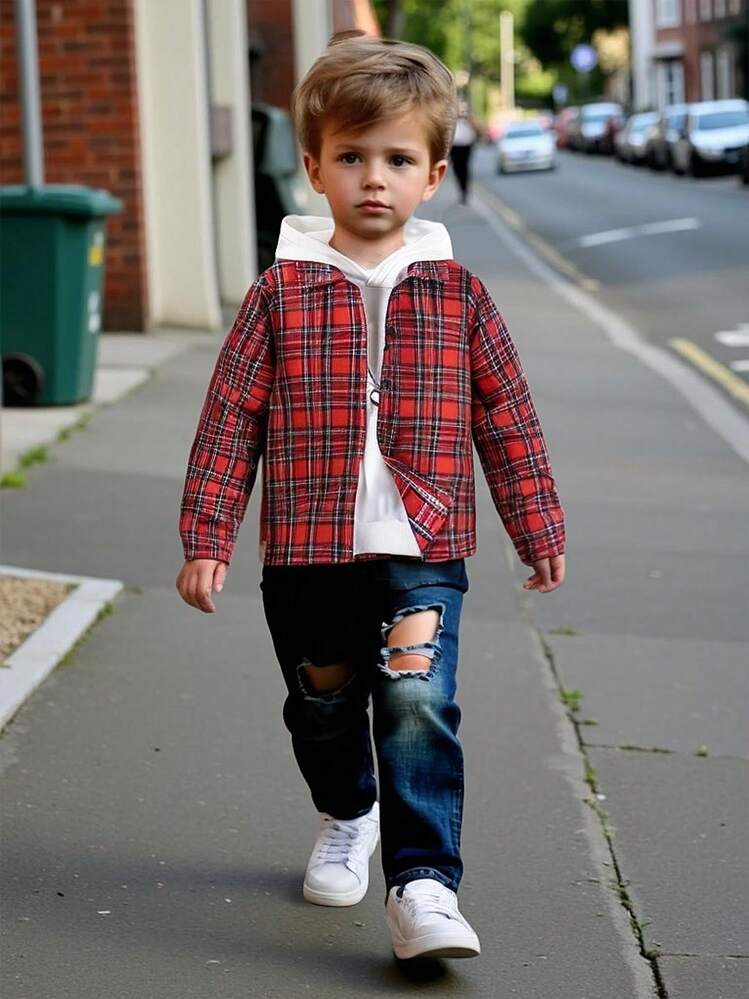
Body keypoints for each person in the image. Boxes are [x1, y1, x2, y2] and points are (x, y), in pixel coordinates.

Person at [176, 32, 565, 962]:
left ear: (432, 174)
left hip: (423, 545)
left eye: (396, 159)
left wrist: (535, 524)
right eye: (351, 157)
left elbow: (507, 417)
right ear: (314, 169)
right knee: (323, 703)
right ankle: (348, 810)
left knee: (416, 701)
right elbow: (229, 419)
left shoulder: (460, 296)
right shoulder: (277, 295)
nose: (374, 179)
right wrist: (207, 535)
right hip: (305, 550)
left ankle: (424, 883)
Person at [449, 100, 480, 204]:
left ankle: (465, 191)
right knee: (457, 169)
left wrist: (470, 121)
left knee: (464, 168)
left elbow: (478, 130)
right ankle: (461, 190)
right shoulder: (451, 119)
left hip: (466, 146)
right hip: (455, 147)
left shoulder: (470, 119)